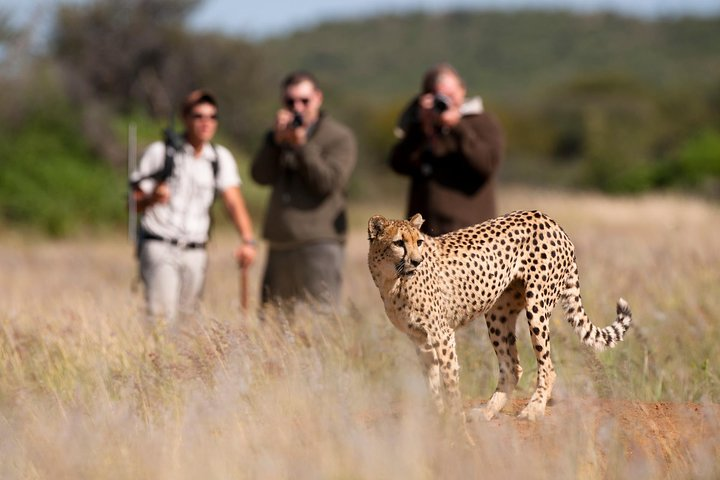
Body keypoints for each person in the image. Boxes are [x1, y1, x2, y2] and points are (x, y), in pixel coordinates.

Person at [131, 89, 257, 326]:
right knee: (161, 318)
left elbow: (233, 200)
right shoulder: (161, 152)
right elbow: (132, 202)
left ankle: (180, 364)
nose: (206, 123)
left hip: (196, 250)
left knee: (188, 323)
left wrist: (247, 240)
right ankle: (159, 362)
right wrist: (152, 198)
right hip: (161, 243)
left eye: (212, 117)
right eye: (198, 116)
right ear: (185, 118)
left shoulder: (220, 158)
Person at [251, 71, 357, 312]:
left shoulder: (339, 137)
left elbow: (328, 183)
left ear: (318, 98)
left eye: (304, 101)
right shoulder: (277, 136)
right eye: (290, 102)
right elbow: (260, 176)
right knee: (274, 321)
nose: (297, 108)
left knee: (320, 320)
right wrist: (274, 144)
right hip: (280, 241)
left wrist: (302, 146)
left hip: (319, 241)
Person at [389, 63, 505, 236]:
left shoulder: (482, 122)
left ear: (462, 90)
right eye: (438, 97)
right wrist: (421, 129)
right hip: (426, 234)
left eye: (450, 95)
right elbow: (398, 164)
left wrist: (457, 126)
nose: (445, 102)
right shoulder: (422, 128)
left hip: (472, 235)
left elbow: (486, 165)